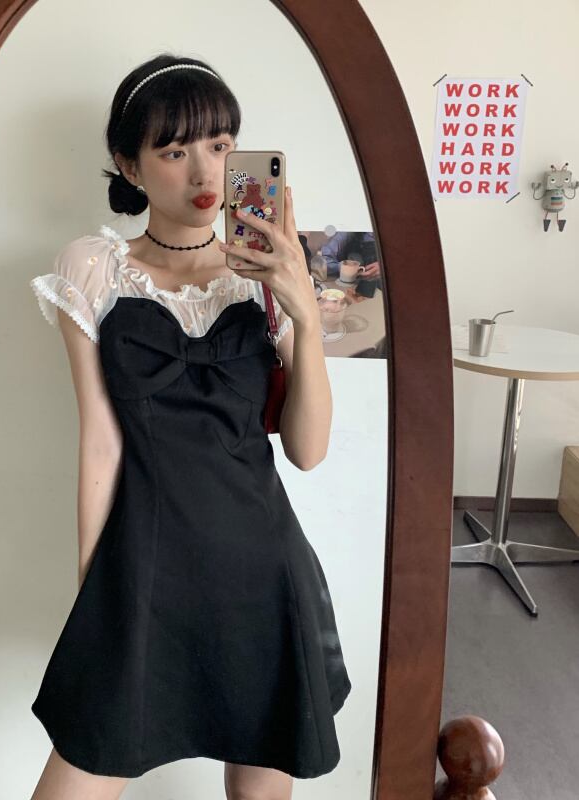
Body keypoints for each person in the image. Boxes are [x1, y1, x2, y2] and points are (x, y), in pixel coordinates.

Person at [28, 52, 351, 800]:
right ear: (130, 166)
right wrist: (94, 585)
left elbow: (308, 452)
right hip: (143, 566)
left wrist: (303, 309)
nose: (205, 171)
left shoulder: (267, 275)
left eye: (219, 143)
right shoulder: (93, 267)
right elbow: (100, 439)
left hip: (261, 571)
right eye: (174, 151)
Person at [320, 230, 381, 298]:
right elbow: (324, 260)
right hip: (347, 288)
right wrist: (346, 268)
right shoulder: (349, 232)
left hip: (379, 291)